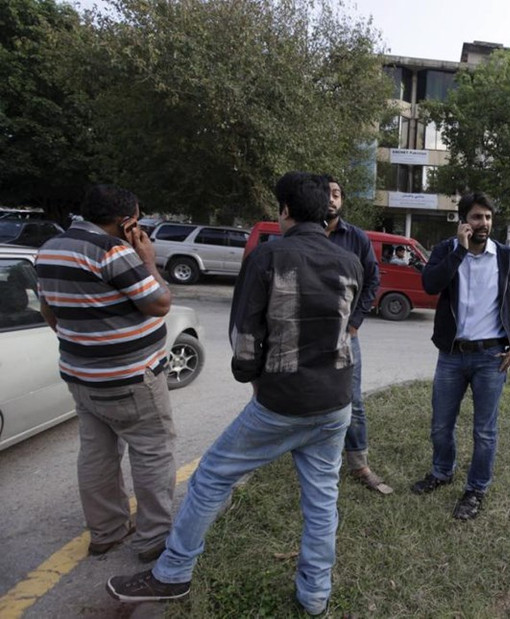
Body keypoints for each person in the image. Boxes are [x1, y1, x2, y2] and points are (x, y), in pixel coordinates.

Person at [106, 172, 363, 616]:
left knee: (210, 477)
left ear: (284, 209)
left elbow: (246, 336)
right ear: (325, 211)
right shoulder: (351, 262)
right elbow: (345, 328)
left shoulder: (268, 257)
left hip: (282, 402)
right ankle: (315, 595)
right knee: (322, 499)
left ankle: (172, 574)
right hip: (336, 402)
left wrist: (253, 378)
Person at [36, 185, 174, 564]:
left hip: (80, 377)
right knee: (153, 453)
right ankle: (153, 540)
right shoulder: (113, 252)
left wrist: (86, 342)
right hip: (130, 379)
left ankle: (107, 533)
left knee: (96, 454)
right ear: (126, 221)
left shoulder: (51, 248)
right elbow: (159, 303)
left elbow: (50, 311)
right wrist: (147, 258)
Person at [410, 191, 510, 520]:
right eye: (477, 217)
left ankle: (476, 488)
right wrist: (459, 252)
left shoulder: (506, 258)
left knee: (484, 431)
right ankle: (441, 472)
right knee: (440, 425)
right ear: (464, 220)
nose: (484, 223)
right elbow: (430, 286)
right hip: (452, 354)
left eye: (489, 217)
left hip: (491, 357)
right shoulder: (445, 251)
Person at [322, 177, 391, 494]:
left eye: (336, 194)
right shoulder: (302, 235)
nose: (331, 199)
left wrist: (355, 323)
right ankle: (320, 462)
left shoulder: (356, 239)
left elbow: (372, 281)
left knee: (353, 400)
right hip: (306, 335)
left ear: (343, 201)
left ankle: (359, 464)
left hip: (345, 336)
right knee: (310, 399)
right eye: (325, 194)